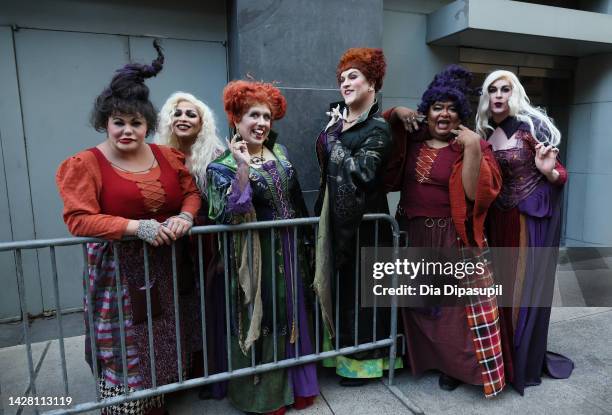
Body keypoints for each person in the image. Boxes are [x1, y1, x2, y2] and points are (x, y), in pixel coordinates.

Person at [56, 41, 201, 414]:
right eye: (118, 122)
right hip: (117, 277)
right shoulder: (84, 163)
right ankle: (127, 407)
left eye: (136, 123)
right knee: (126, 346)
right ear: (104, 122)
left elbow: (191, 195)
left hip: (165, 269)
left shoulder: (169, 156)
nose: (127, 130)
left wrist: (184, 217)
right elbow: (78, 218)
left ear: (147, 125)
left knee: (163, 335)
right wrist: (138, 227)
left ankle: (159, 398)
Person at [383, 65, 506, 397]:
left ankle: (456, 368)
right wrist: (396, 111)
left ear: (460, 115)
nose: (444, 114)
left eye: (452, 108)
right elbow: (380, 125)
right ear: (427, 111)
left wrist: (474, 148)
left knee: (452, 312)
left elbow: (472, 194)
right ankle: (427, 360)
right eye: (438, 107)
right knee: (420, 304)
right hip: (414, 233)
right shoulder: (413, 140)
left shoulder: (470, 145)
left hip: (451, 237)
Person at [206, 80, 319, 414]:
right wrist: (242, 167)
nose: (261, 123)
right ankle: (264, 396)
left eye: (266, 117)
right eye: (253, 115)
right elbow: (229, 213)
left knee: (292, 313)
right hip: (256, 257)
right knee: (263, 314)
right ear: (236, 121)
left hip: (289, 247)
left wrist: (307, 238)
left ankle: (298, 386)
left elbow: (295, 199)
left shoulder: (279, 153)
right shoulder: (221, 166)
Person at [476, 69, 573, 394]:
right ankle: (502, 357)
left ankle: (523, 359)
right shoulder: (485, 132)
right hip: (498, 221)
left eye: (505, 89)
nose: (499, 95)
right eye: (492, 90)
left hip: (527, 219)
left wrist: (549, 172)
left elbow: (561, 173)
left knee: (521, 291)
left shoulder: (533, 127)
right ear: (486, 97)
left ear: (514, 93)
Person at [314, 47, 396, 386]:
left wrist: (334, 139)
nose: (345, 83)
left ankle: (364, 365)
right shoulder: (337, 121)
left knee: (362, 295)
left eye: (354, 76)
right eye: (342, 78)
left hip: (366, 224)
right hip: (334, 217)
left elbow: (363, 172)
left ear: (372, 82)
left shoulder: (378, 128)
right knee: (339, 288)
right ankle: (337, 354)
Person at [155, 92, 227, 399]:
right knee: (176, 304)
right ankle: (176, 370)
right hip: (170, 243)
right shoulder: (155, 153)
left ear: (202, 123)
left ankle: (207, 368)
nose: (183, 118)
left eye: (191, 114)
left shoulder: (216, 152)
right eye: (178, 113)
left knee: (207, 303)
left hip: (206, 242)